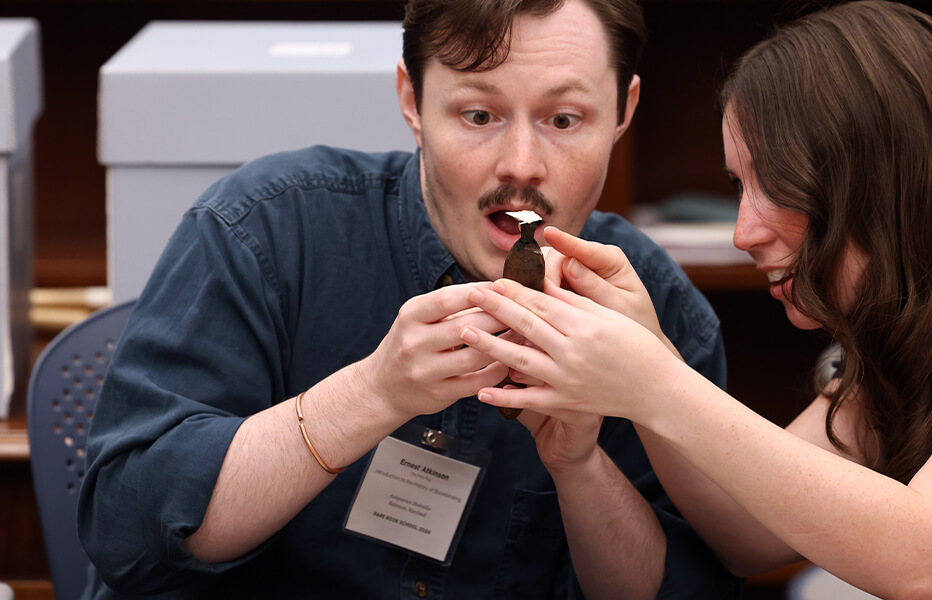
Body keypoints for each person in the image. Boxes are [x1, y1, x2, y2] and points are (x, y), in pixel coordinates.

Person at [458, 2, 932, 598]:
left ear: (887, 177)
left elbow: (928, 558)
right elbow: (750, 536)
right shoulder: (927, 316)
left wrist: (658, 384)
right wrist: (645, 376)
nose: (745, 231)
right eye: (736, 187)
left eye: (774, 186)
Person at [78, 0, 740, 598]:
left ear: (623, 111)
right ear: (411, 99)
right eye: (478, 115)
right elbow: (124, 535)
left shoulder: (657, 310)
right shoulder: (264, 229)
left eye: (564, 120)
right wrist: (372, 394)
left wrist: (581, 468)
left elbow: (693, 588)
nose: (521, 164)